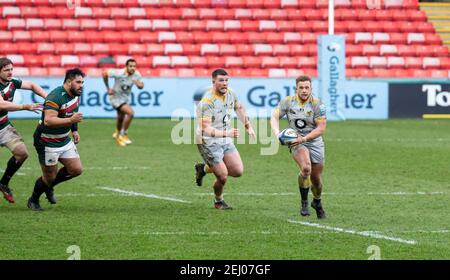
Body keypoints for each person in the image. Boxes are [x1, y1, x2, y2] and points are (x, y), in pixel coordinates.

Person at [194, 68, 256, 210]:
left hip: (224, 138)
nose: (225, 83)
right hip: (207, 141)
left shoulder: (231, 94)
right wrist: (226, 133)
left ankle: (203, 169)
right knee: (222, 175)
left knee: (237, 171)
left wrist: (248, 126)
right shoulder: (207, 102)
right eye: (221, 80)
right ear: (213, 82)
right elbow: (206, 129)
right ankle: (218, 201)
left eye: (227, 80)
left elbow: (239, 108)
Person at [27, 68, 85, 211]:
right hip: (47, 141)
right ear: (69, 81)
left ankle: (49, 187)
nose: (81, 85)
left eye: (82, 82)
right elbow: (48, 121)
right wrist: (71, 120)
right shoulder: (55, 97)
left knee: (76, 170)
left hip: (63, 139)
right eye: (78, 82)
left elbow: (72, 112)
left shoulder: (75, 94)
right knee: (49, 176)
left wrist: (74, 129)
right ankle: (33, 200)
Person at [270, 75, 327, 219]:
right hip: (296, 141)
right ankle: (304, 203)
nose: (304, 90)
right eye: (301, 87)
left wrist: (306, 138)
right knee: (306, 168)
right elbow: (274, 116)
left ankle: (317, 202)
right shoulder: (288, 102)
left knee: (317, 180)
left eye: (307, 87)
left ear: (311, 88)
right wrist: (277, 133)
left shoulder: (318, 104)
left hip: (314, 141)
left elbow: (321, 129)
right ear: (296, 88)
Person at [0, 57, 47, 203]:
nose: (10, 72)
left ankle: (3, 183)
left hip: (3, 126)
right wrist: (25, 106)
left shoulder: (13, 82)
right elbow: (2, 105)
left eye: (11, 69)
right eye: (6, 70)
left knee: (22, 153)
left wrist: (49, 98)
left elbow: (32, 85)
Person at [102, 58, 144, 147]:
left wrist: (138, 84)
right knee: (130, 113)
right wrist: (108, 88)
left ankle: (117, 133)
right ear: (126, 67)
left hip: (125, 98)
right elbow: (104, 73)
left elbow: (141, 86)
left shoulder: (136, 74)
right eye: (131, 66)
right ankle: (122, 135)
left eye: (134, 66)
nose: (133, 68)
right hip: (115, 98)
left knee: (121, 117)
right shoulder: (119, 73)